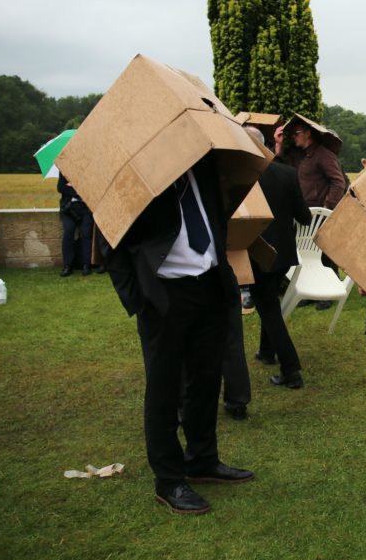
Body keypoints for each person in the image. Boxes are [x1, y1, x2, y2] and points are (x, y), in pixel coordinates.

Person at [99, 155, 254, 515]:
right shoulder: (136, 173)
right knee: (164, 386)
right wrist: (138, 299)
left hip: (209, 286)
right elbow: (109, 235)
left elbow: (217, 219)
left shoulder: (202, 166)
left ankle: (202, 459)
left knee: (205, 379)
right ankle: (168, 479)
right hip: (164, 295)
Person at [245, 126, 312, 390]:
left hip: (257, 253)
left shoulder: (242, 175)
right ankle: (266, 351)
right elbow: (304, 217)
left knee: (269, 310)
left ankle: (291, 369)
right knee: (269, 302)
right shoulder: (287, 173)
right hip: (283, 252)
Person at [273, 119, 347, 310]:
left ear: (307, 133)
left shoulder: (324, 155)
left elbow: (338, 182)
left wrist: (326, 210)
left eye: (296, 133)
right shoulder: (299, 155)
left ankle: (327, 295)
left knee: (325, 254)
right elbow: (277, 166)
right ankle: (307, 291)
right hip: (304, 215)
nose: (294, 137)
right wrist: (279, 144)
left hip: (320, 215)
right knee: (305, 255)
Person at [57, 173, 94, 276]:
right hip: (69, 208)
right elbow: (60, 188)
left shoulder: (89, 170)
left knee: (86, 233)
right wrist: (79, 192)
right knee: (68, 232)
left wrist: (72, 186)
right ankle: (67, 266)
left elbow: (92, 189)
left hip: (86, 208)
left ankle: (86, 265)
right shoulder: (64, 169)